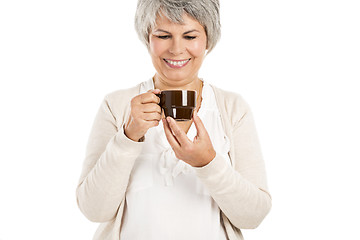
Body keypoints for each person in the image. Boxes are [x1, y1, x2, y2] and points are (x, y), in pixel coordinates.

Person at [76, 0, 272, 239]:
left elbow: (253, 216)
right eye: (163, 35)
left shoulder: (232, 109)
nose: (176, 49)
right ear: (147, 37)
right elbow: (93, 210)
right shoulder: (117, 105)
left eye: (190, 36)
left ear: (208, 39)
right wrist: (128, 137)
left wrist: (208, 163)